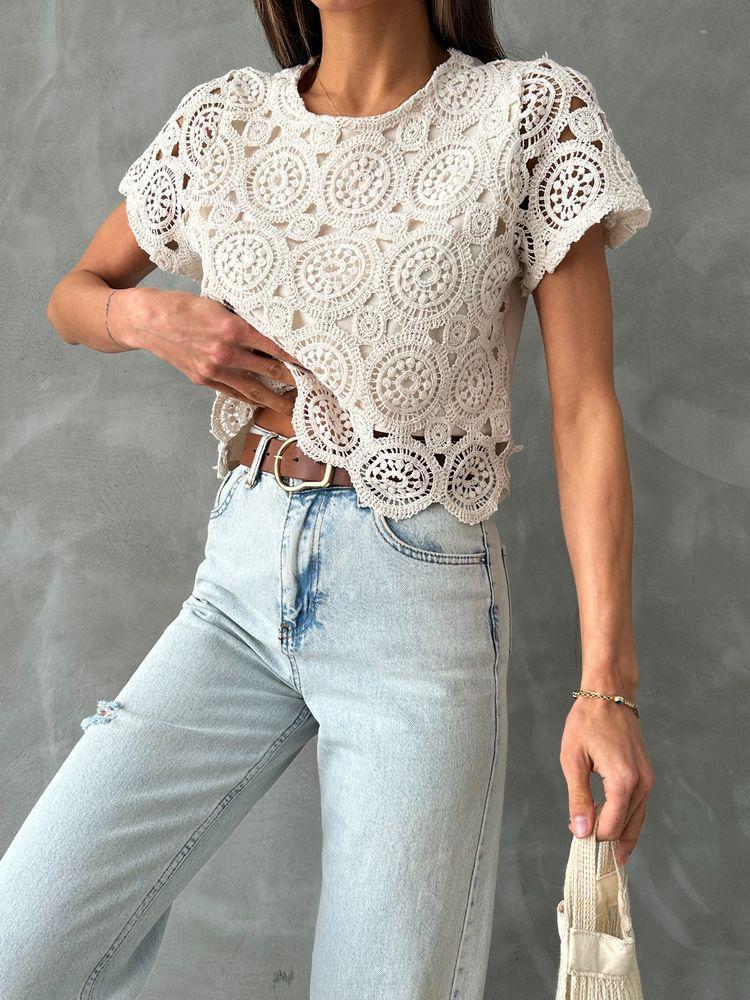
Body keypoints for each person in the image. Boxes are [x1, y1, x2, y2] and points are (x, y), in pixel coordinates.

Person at [0, 1, 656, 997]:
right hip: (237, 585)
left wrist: (607, 683)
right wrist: (144, 319)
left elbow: (585, 411)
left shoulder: (528, 113)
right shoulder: (224, 121)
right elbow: (74, 295)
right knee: (23, 940)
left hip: (417, 601)